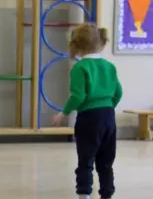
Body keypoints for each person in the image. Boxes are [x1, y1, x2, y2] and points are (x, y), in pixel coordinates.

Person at [52, 23, 123, 199]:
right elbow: (118, 92)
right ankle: (107, 193)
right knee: (106, 161)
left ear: (75, 46)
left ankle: (84, 193)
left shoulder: (80, 67)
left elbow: (78, 96)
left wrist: (64, 112)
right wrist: (107, 106)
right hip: (108, 116)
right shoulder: (109, 66)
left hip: (89, 118)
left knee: (86, 159)